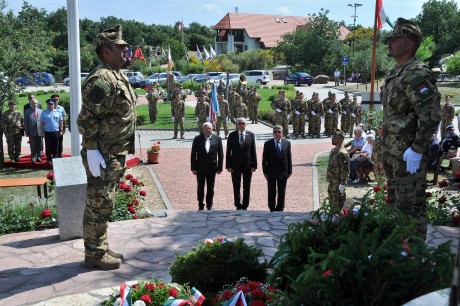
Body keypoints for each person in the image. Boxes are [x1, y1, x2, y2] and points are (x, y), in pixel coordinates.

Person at [77, 24, 137, 270]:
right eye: (120, 47)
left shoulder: (115, 74)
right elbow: (86, 118)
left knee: (106, 201)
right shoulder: (102, 79)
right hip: (102, 153)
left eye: (125, 47)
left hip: (113, 152)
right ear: (106, 51)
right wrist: (91, 149)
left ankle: (100, 246)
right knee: (98, 202)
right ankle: (94, 253)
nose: (126, 51)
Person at [381, 18, 441, 240]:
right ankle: (399, 254)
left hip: (408, 155)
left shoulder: (417, 73)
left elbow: (432, 114)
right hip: (393, 153)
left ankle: (413, 260)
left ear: (410, 44)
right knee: (397, 207)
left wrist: (417, 148)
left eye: (395, 39)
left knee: (411, 209)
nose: (390, 42)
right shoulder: (394, 72)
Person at [191, 122, 223, 210]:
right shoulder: (197, 139)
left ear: (212, 129)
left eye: (209, 128)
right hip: (200, 168)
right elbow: (193, 154)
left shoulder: (217, 139)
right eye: (205, 128)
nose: (207, 130)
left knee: (211, 187)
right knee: (200, 187)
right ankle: (200, 204)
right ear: (202, 129)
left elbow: (221, 154)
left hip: (212, 168)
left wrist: (220, 167)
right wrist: (193, 168)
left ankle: (210, 205)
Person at [226, 117, 257, 210]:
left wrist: (254, 165)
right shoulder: (232, 135)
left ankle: (245, 205)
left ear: (245, 124)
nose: (241, 125)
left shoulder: (251, 135)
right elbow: (228, 152)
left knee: (247, 186)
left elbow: (253, 150)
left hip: (248, 165)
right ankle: (237, 204)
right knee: (236, 185)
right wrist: (228, 165)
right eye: (239, 123)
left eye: (243, 123)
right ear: (237, 125)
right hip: (235, 165)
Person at [262, 125, 292, 212]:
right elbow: (264, 160)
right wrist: (265, 172)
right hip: (271, 172)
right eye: (275, 131)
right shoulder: (267, 144)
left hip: (283, 171)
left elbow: (289, 158)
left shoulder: (287, 143)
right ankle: (272, 207)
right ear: (273, 133)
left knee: (282, 191)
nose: (277, 133)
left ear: (282, 133)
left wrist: (290, 171)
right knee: (271, 191)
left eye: (279, 131)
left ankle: (280, 208)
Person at [326, 129, 350, 212]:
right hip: (332, 182)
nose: (333, 139)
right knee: (332, 204)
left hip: (338, 183)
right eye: (333, 137)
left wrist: (343, 183)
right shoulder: (334, 151)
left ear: (341, 139)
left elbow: (345, 170)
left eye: (335, 137)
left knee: (338, 205)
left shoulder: (342, 153)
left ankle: (337, 221)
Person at [39, 99, 63, 165]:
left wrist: (61, 130)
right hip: (47, 132)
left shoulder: (58, 112)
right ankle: (49, 159)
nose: (50, 105)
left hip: (55, 132)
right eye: (49, 104)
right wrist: (42, 132)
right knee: (48, 146)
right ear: (47, 105)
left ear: (54, 104)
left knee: (56, 146)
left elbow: (61, 122)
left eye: (52, 104)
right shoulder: (44, 113)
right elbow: (41, 123)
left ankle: (55, 159)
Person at [24, 97, 44, 163]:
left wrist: (43, 131)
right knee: (33, 145)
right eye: (33, 103)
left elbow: (43, 122)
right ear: (31, 104)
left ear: (37, 104)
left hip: (40, 131)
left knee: (40, 145)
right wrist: (27, 132)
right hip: (32, 131)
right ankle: (33, 157)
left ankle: (39, 157)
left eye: (36, 103)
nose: (35, 104)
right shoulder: (27, 111)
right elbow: (26, 123)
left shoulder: (41, 111)